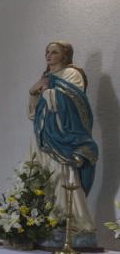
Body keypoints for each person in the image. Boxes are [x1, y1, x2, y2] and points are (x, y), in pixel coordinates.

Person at [27, 40, 98, 237]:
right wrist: (33, 91)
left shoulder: (72, 73)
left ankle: (72, 221)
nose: (49, 56)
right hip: (44, 132)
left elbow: (76, 102)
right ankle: (45, 220)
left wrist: (48, 91)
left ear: (65, 55)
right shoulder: (46, 77)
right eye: (47, 52)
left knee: (64, 174)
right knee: (44, 175)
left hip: (63, 134)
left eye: (54, 52)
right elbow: (34, 111)